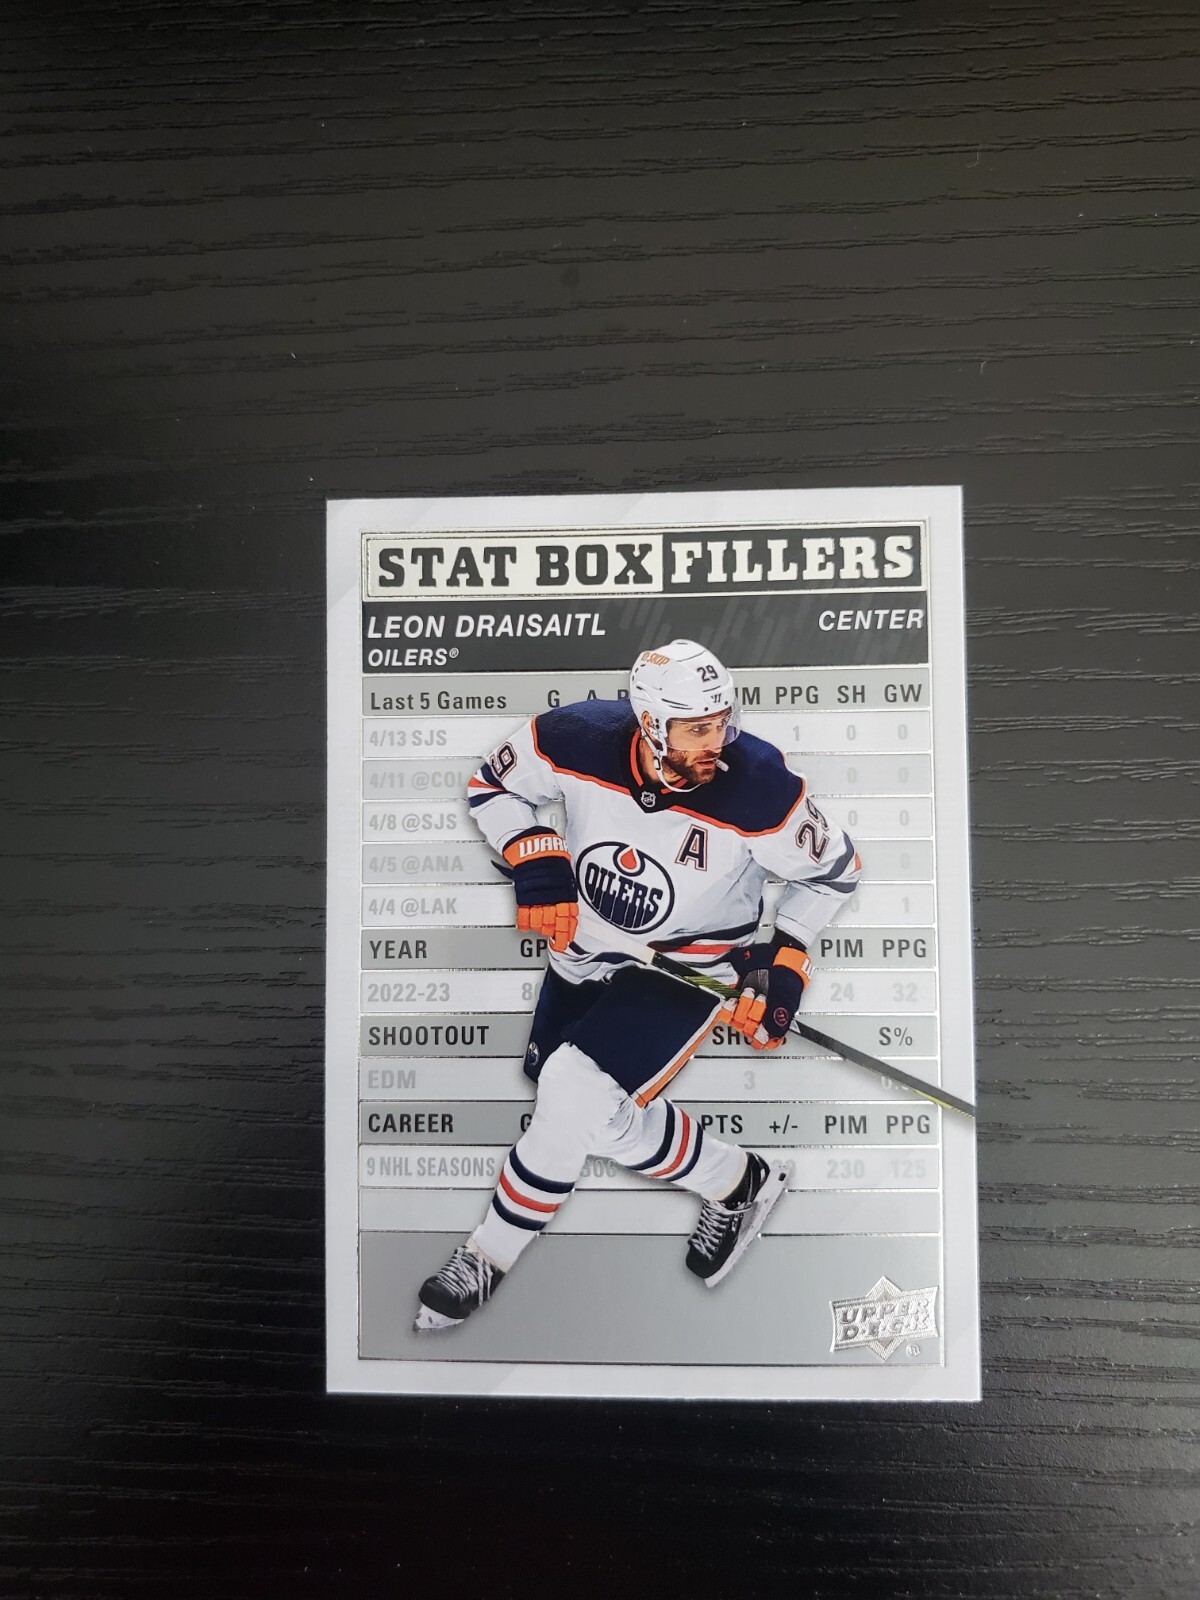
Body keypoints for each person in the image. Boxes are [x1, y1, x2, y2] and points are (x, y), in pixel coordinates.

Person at [413, 639, 862, 1332]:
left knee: (572, 1090)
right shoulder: (577, 736)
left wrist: (786, 957)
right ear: (650, 723)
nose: (717, 741)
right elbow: (492, 786)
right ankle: (736, 1180)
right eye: (697, 728)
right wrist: (534, 854)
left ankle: (484, 1257)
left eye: (722, 721)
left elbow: (835, 872)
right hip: (582, 948)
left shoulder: (760, 788)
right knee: (583, 1114)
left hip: (688, 967)